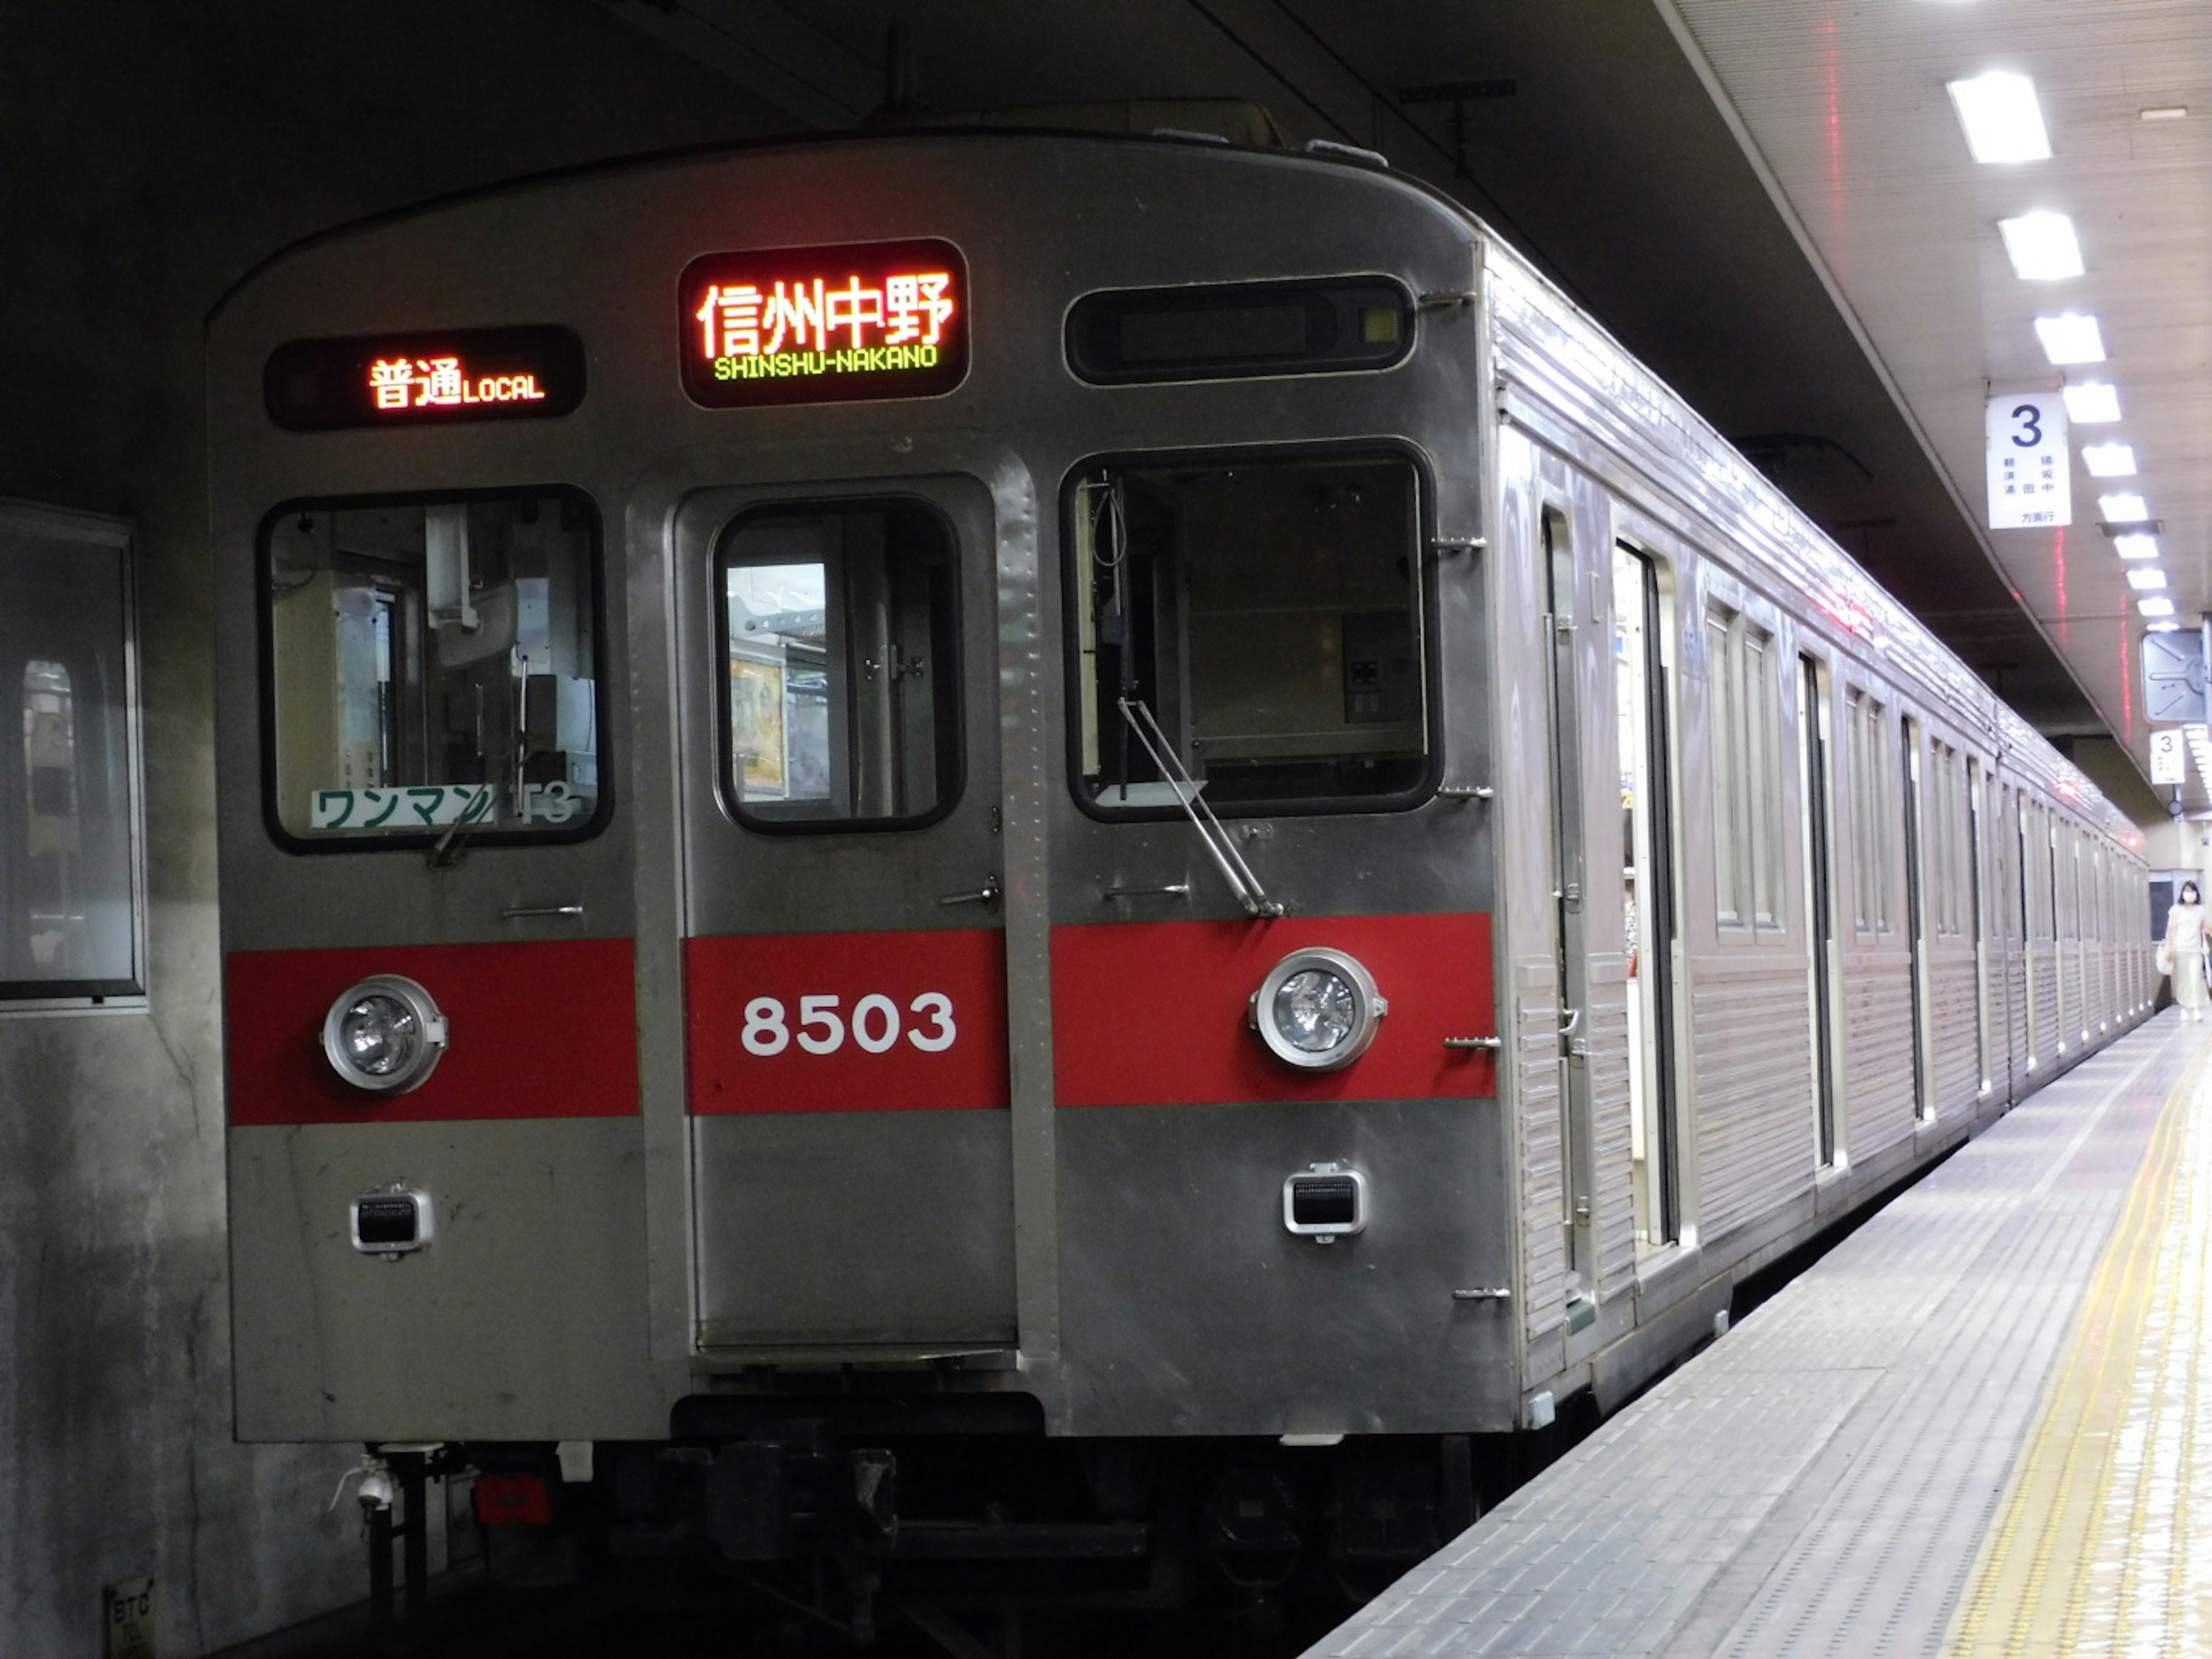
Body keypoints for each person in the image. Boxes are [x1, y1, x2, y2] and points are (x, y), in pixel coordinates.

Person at [2166, 881, 2211, 1022]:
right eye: (2186, 891)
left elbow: (2206, 928)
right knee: (2183, 981)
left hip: (2195, 950)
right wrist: (2168, 947)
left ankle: (2198, 1009)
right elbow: (2171, 930)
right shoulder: (2176, 910)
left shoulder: (2201, 911)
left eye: (2191, 891)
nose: (2189, 894)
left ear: (2196, 893)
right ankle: (2185, 1007)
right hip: (2180, 949)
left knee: (2195, 978)